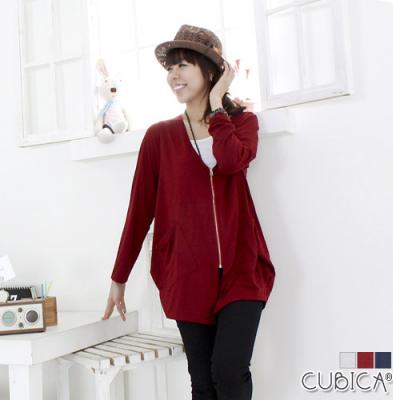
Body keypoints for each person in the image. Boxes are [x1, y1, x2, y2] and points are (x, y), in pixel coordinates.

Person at [102, 24, 276, 400]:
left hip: (242, 269)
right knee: (203, 381)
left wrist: (216, 104)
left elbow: (231, 161)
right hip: (186, 274)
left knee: (229, 371)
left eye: (183, 65)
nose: (173, 75)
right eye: (170, 68)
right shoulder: (159, 137)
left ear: (212, 71)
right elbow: (139, 211)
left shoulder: (242, 124)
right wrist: (119, 277)